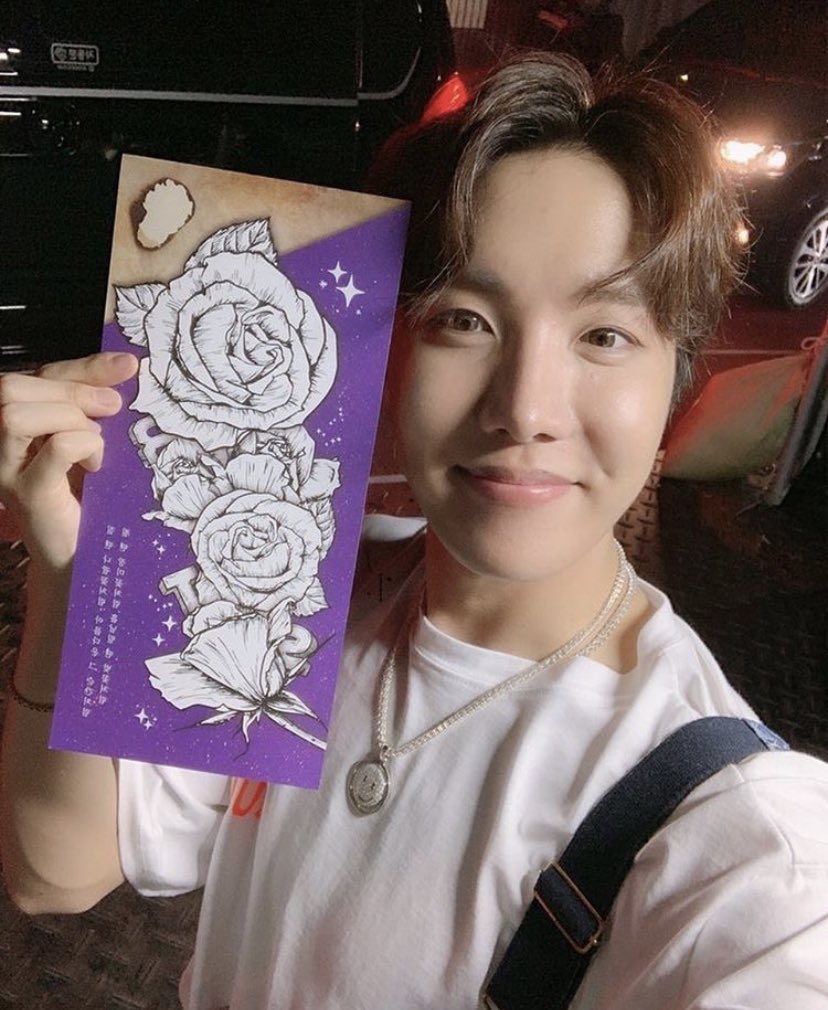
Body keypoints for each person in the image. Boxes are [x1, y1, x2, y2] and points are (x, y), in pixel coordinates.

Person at [1, 53, 827, 1010]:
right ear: (386, 350)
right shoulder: (291, 589)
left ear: (674, 380)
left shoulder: (746, 836)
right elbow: (55, 871)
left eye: (605, 335)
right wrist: (71, 569)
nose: (526, 410)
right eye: (465, 320)